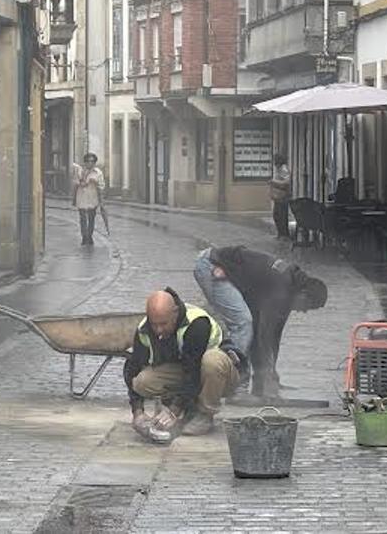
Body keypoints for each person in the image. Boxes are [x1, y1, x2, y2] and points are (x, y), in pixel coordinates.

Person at [194, 245, 329, 398]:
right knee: (243, 324)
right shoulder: (281, 288)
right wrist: (266, 375)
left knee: (246, 326)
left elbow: (274, 335)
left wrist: (270, 374)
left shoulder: (288, 289)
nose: (303, 311)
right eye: (307, 307)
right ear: (303, 294)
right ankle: (234, 383)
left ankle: (229, 376)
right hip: (212, 266)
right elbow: (263, 335)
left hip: (225, 270)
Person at [124, 288, 244, 439]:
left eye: (164, 324)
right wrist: (137, 412)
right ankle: (184, 409)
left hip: (221, 375)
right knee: (142, 382)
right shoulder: (144, 329)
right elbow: (132, 368)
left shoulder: (197, 323)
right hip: (187, 371)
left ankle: (204, 414)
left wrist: (174, 410)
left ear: (175, 313)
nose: (159, 330)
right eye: (154, 324)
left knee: (212, 361)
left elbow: (193, 372)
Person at [72, 153, 104, 246]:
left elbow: (102, 186)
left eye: (92, 161)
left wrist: (96, 182)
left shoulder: (98, 173)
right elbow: (75, 182)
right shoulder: (80, 171)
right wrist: (81, 183)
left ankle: (89, 236)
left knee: (91, 218)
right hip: (81, 197)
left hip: (92, 198)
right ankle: (84, 237)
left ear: (94, 163)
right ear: (85, 162)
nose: (90, 163)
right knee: (82, 218)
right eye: (88, 161)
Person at [269, 154, 292, 240]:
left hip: (283, 196)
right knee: (277, 215)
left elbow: (287, 182)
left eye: (275, 161)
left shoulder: (284, 169)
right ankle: (280, 233)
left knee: (282, 215)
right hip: (278, 196)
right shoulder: (278, 169)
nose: (274, 163)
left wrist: (274, 182)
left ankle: (284, 234)